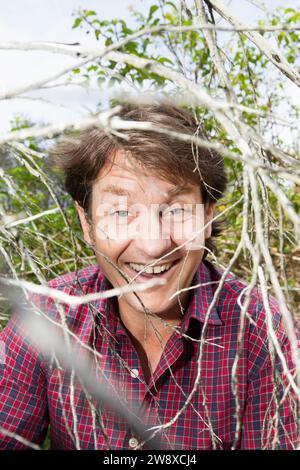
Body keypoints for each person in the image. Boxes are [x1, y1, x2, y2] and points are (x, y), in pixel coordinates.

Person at [0, 103, 299, 450]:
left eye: (176, 210)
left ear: (207, 215)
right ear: (87, 223)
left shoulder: (266, 332)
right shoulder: (45, 317)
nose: (154, 244)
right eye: (122, 211)